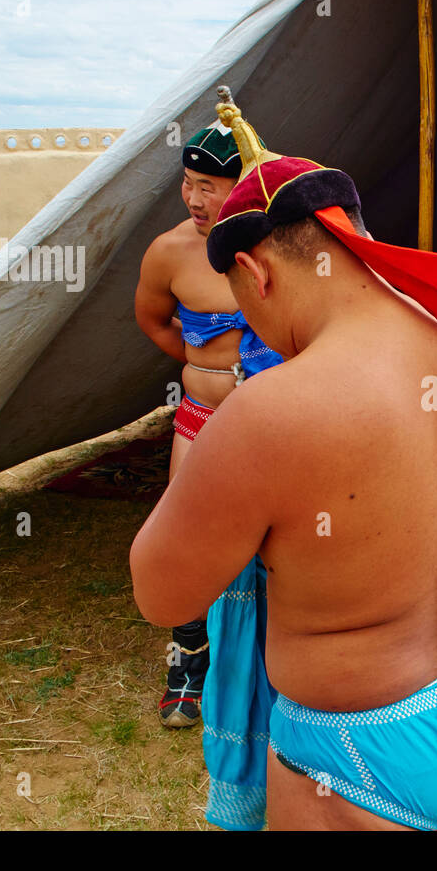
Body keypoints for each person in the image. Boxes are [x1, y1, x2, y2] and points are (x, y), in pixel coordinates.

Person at [130, 92, 437, 830]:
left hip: (359, 742)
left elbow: (162, 595)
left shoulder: (271, 412)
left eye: (242, 301)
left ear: (257, 275)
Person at [134, 120, 282, 742]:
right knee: (188, 537)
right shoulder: (169, 251)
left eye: (211, 187)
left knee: (281, 544)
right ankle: (188, 660)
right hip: (201, 419)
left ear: (243, 184)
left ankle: (277, 666)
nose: (196, 200)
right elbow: (155, 321)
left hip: (273, 424)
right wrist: (203, 370)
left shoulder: (282, 245)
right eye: (188, 184)